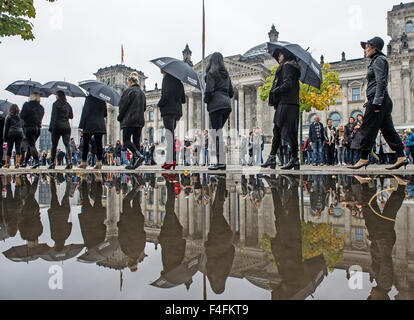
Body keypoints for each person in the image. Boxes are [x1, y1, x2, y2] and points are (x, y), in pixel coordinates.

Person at [350, 37, 408, 170]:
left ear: (374, 48)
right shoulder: (376, 61)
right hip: (381, 99)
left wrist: (376, 101)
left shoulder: (379, 60)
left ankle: (363, 158)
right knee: (388, 130)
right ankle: (401, 156)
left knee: (366, 128)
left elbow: (381, 81)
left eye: (367, 47)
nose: (365, 50)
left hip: (378, 100)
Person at [262, 48, 301, 170]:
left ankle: (294, 158)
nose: (278, 58)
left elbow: (288, 84)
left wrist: (275, 90)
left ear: (286, 55)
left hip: (287, 103)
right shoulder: (293, 68)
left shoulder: (287, 67)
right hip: (289, 103)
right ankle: (273, 157)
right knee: (278, 131)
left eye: (280, 55)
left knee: (288, 132)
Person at [204, 52, 234, 171]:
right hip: (226, 105)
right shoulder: (226, 75)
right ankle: (221, 161)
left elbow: (209, 91)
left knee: (216, 134)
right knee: (218, 133)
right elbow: (231, 92)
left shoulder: (211, 73)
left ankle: (221, 162)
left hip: (216, 106)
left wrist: (206, 100)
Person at [157, 71, 186, 170]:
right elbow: (183, 99)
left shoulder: (166, 79)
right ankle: (171, 160)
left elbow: (165, 96)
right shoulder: (179, 82)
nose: (161, 72)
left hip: (168, 110)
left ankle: (170, 160)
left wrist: (159, 104)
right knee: (171, 135)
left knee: (169, 136)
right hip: (177, 112)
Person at [118, 71, 146, 170]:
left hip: (129, 120)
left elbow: (123, 106)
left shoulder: (128, 91)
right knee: (136, 141)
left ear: (130, 81)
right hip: (140, 121)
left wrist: (120, 117)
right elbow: (144, 108)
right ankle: (134, 164)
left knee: (126, 140)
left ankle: (138, 156)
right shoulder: (142, 93)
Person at [78, 94, 107, 169]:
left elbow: (84, 112)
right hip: (99, 124)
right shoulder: (102, 99)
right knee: (99, 144)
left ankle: (84, 162)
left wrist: (81, 125)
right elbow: (105, 114)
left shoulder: (88, 99)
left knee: (86, 144)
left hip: (89, 124)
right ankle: (99, 162)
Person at [48, 91, 74, 170]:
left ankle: (52, 163)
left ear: (58, 96)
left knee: (54, 145)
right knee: (67, 144)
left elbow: (53, 116)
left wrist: (51, 128)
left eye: (56, 95)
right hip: (66, 126)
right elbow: (71, 116)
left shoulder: (55, 104)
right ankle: (69, 162)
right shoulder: (68, 105)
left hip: (57, 126)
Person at [20, 92, 45, 169]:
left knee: (31, 145)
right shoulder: (41, 107)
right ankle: (25, 162)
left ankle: (37, 161)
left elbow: (22, 116)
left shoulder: (26, 105)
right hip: (38, 129)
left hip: (29, 127)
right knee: (31, 146)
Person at [3, 104, 24, 169]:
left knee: (9, 148)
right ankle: (17, 163)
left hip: (11, 133)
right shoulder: (20, 117)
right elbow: (23, 125)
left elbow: (6, 128)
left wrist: (4, 138)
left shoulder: (8, 116)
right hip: (19, 133)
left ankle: (7, 164)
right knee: (18, 148)